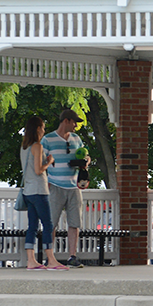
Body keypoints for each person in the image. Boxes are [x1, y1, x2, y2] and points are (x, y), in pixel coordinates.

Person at [42, 109, 89, 268]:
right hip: (54, 186)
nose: (76, 125)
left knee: (74, 223)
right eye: (74, 122)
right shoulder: (48, 139)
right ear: (66, 121)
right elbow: (42, 163)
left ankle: (72, 256)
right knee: (51, 223)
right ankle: (49, 257)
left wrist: (86, 161)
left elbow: (84, 156)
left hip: (74, 186)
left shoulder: (77, 139)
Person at [20, 116, 67, 270]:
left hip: (28, 191)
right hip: (39, 191)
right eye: (43, 127)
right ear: (38, 128)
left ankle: (31, 260)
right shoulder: (37, 146)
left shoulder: (24, 147)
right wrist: (49, 162)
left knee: (32, 225)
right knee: (48, 224)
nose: (44, 130)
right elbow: (38, 170)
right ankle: (51, 259)